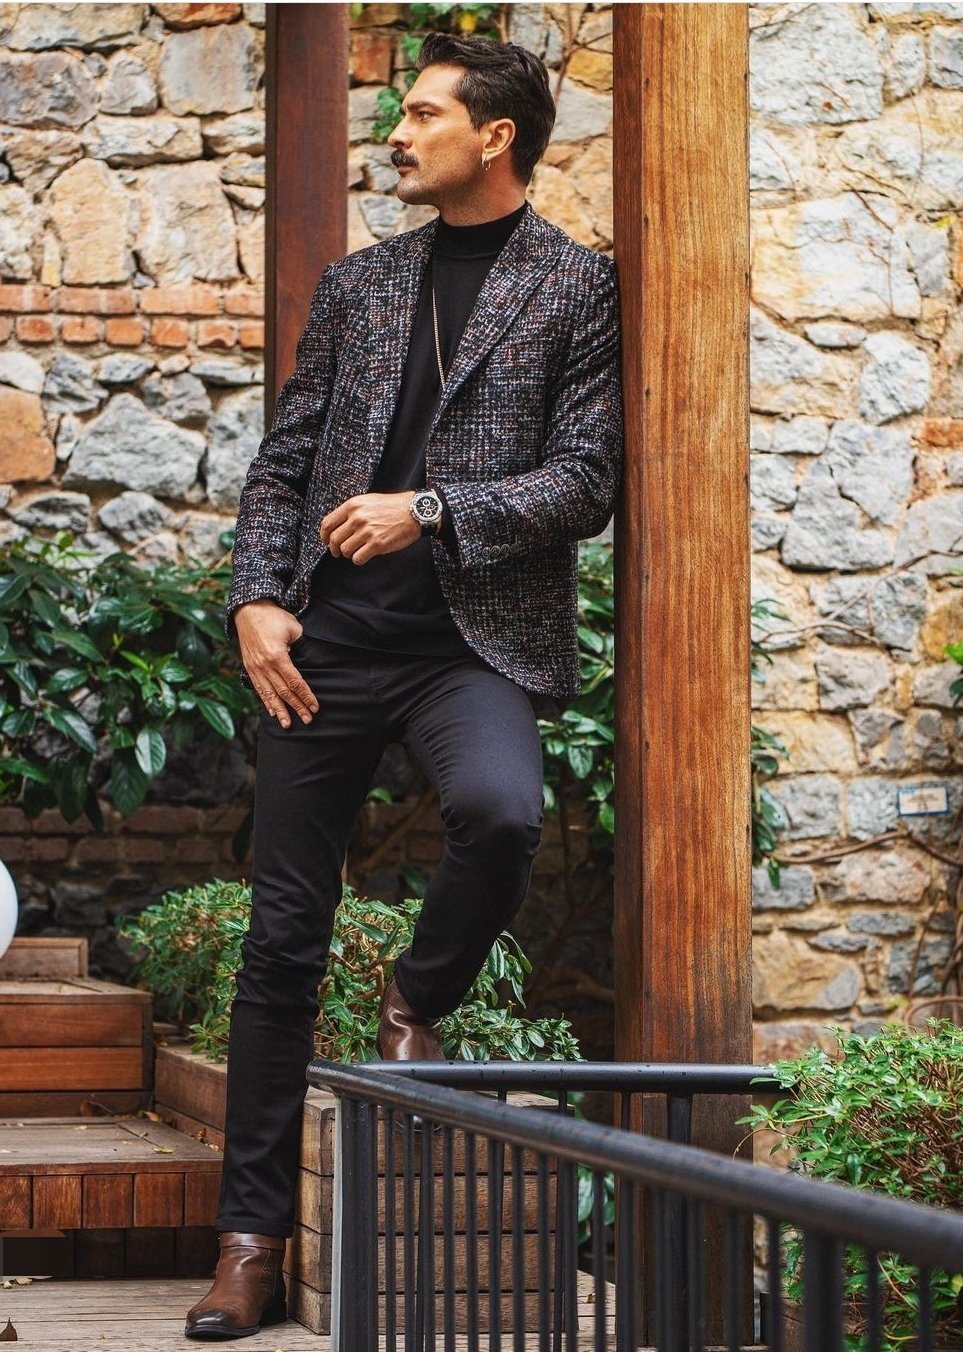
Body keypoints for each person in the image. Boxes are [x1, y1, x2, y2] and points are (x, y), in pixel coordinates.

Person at [184, 31, 623, 1341]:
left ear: (496, 136)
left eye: (424, 114)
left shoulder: (576, 288)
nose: (397, 133)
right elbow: (286, 462)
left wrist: (427, 509)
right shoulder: (362, 283)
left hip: (466, 645)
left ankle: (416, 997)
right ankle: (251, 1243)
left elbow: (585, 482)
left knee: (501, 813)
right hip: (327, 644)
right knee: (281, 941)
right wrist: (257, 600)